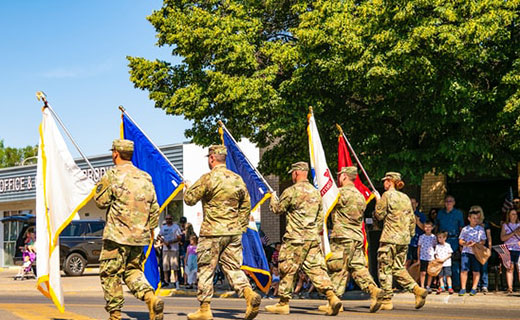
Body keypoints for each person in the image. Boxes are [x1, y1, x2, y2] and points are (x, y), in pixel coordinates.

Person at [184, 145, 261, 320]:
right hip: (233, 232)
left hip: (212, 232)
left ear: (212, 158)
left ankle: (204, 309)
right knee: (233, 268)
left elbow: (189, 200)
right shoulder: (237, 179)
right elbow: (246, 205)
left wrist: (187, 188)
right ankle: (249, 295)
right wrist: (240, 226)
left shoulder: (208, 179)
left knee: (206, 269)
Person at [94, 139, 163, 320]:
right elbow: (154, 207)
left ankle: (115, 315)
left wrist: (99, 188)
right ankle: (151, 298)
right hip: (139, 237)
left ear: (115, 153)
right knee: (133, 272)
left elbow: (100, 202)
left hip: (117, 237)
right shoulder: (145, 177)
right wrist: (150, 230)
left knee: (110, 274)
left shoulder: (112, 175)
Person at [265, 161, 342, 316]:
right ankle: (332, 298)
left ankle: (283, 303)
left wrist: (273, 198)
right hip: (312, 239)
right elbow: (321, 220)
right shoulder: (316, 193)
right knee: (316, 270)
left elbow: (278, 209)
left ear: (296, 173)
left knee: (287, 268)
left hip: (295, 239)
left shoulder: (291, 191)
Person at [322, 166, 383, 313]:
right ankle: (374, 290)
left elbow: (327, 208)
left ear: (344, 177)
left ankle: (334, 302)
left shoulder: (339, 193)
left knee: (338, 268)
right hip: (356, 237)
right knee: (358, 267)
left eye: (340, 176)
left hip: (342, 236)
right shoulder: (360, 196)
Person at [374, 172, 427, 311]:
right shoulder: (405, 198)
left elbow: (379, 215)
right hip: (404, 240)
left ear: (390, 181)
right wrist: (409, 235)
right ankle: (417, 290)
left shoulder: (387, 196)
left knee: (384, 268)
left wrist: (377, 201)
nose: (384, 183)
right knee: (398, 268)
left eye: (385, 180)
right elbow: (412, 220)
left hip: (389, 238)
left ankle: (386, 300)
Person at [435, 195, 464, 289]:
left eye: (450, 201)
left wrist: (461, 241)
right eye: (447, 201)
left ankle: (455, 284)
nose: (448, 203)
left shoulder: (458, 213)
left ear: (454, 203)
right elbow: (436, 226)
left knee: (454, 262)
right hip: (442, 240)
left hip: (454, 239)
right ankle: (443, 285)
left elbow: (461, 228)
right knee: (441, 262)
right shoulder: (440, 213)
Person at [458, 210, 487, 296]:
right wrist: (465, 243)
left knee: (476, 270)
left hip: (476, 252)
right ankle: (463, 288)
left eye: (477, 218)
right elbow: (460, 240)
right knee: (464, 270)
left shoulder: (480, 229)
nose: (475, 220)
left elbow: (483, 241)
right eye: (473, 218)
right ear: (469, 218)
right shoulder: (465, 229)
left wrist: (476, 243)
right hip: (466, 251)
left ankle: (474, 288)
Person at [159, 214, 182, 289]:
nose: (168, 220)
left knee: (175, 266)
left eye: (169, 219)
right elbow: (159, 236)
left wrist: (170, 242)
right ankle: (166, 281)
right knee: (165, 266)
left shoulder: (176, 227)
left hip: (174, 249)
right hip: (165, 249)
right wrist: (164, 241)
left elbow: (179, 237)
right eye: (167, 219)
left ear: (172, 219)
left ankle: (176, 281)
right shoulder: (163, 227)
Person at [472, 206, 492, 294]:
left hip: (483, 248)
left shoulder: (485, 223)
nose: (476, 213)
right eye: (473, 212)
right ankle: (477, 285)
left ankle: (484, 285)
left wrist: (490, 248)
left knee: (484, 267)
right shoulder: (472, 223)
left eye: (477, 212)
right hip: (474, 248)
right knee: (476, 267)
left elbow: (489, 237)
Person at [500, 208, 520, 293]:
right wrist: (513, 233)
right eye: (512, 214)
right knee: (509, 268)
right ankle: (510, 287)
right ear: (509, 215)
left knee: (519, 268)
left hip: (518, 248)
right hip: (509, 249)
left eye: (515, 214)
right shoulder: (505, 225)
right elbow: (502, 238)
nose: (514, 216)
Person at [407, 198, 426, 268]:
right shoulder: (405, 215)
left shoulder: (421, 215)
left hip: (418, 241)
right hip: (407, 241)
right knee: (407, 261)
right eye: (410, 203)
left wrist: (417, 221)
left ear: (417, 204)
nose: (412, 205)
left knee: (416, 261)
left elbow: (425, 228)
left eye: (413, 203)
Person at [418, 221, 436, 293]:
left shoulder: (433, 237)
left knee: (430, 272)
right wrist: (418, 258)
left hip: (431, 257)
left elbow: (435, 247)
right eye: (426, 227)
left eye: (429, 227)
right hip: (423, 257)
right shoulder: (422, 237)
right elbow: (419, 248)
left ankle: (428, 285)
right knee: (423, 272)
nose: (427, 229)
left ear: (432, 228)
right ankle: (422, 285)